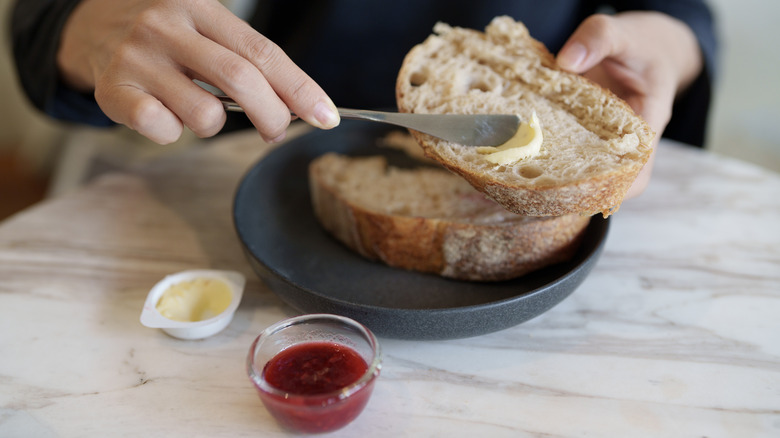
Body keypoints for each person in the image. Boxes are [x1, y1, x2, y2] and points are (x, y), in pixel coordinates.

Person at [11, 0, 716, 196]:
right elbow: (44, 20)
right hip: (269, 156)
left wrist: (673, 44)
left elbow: (684, 16)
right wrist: (84, 24)